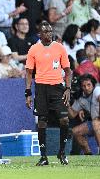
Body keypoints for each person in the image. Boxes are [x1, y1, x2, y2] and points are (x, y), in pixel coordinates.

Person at [25, 21, 71, 166]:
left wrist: (68, 88)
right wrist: (27, 93)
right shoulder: (33, 49)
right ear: (40, 34)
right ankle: (43, 156)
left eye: (50, 31)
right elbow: (29, 73)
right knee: (42, 122)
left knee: (64, 120)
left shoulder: (60, 48)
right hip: (41, 88)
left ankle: (62, 152)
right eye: (45, 31)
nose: (49, 34)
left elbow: (68, 71)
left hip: (57, 88)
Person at [67, 74, 100, 155]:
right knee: (75, 131)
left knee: (95, 122)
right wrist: (66, 103)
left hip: (97, 121)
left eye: (89, 85)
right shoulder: (81, 99)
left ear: (93, 84)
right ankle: (88, 154)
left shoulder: (97, 89)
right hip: (94, 122)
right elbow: (72, 115)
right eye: (84, 86)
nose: (87, 88)